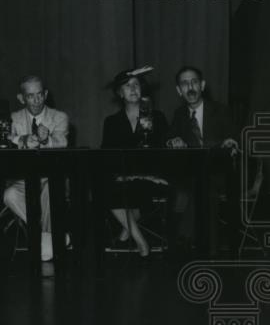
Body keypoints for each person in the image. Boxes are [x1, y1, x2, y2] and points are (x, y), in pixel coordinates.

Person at [165, 65, 239, 254]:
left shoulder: (221, 111)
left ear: (202, 85)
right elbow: (169, 141)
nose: (190, 87)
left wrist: (228, 143)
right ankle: (197, 246)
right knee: (187, 186)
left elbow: (234, 141)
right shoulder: (179, 116)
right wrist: (173, 141)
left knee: (201, 186)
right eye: (184, 84)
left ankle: (187, 242)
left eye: (194, 82)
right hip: (190, 176)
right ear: (178, 91)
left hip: (220, 174)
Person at [101, 67, 169, 257]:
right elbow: (106, 155)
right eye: (127, 86)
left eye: (136, 84)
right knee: (107, 188)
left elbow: (164, 153)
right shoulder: (111, 121)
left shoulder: (158, 117)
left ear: (142, 90)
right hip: (123, 177)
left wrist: (151, 174)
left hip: (152, 178)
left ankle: (126, 232)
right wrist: (124, 174)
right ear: (119, 93)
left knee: (141, 191)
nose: (132, 89)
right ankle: (141, 242)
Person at [2, 75, 70, 262]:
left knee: (51, 189)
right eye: (30, 96)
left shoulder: (59, 117)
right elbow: (5, 138)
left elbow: (62, 142)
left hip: (51, 178)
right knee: (9, 195)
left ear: (46, 94)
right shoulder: (12, 119)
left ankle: (44, 239)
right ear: (21, 98)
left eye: (40, 94)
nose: (36, 100)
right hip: (23, 180)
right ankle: (49, 238)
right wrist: (23, 139)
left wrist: (46, 139)